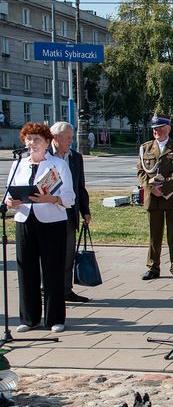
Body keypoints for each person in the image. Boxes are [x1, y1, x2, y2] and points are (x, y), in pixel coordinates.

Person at [6, 122, 75, 333]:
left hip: (52, 222)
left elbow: (69, 198)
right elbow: (8, 193)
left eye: (37, 139)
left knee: (52, 270)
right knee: (26, 269)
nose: (32, 143)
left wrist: (51, 198)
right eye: (28, 139)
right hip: (25, 219)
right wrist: (10, 202)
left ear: (47, 142)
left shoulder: (58, 165)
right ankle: (29, 318)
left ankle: (55, 318)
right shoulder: (19, 164)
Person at [136, 116, 173, 281]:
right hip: (153, 198)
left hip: (171, 197)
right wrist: (151, 189)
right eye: (155, 129)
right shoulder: (145, 148)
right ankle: (152, 267)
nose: (157, 131)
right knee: (154, 235)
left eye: (161, 128)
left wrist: (163, 189)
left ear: (169, 128)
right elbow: (140, 172)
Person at [49, 121, 91, 304]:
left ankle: (66, 290)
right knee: (48, 254)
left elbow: (79, 187)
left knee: (68, 254)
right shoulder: (43, 155)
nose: (71, 142)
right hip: (48, 214)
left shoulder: (75, 157)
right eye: (68, 139)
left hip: (68, 213)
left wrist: (85, 210)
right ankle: (47, 289)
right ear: (55, 139)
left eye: (72, 138)